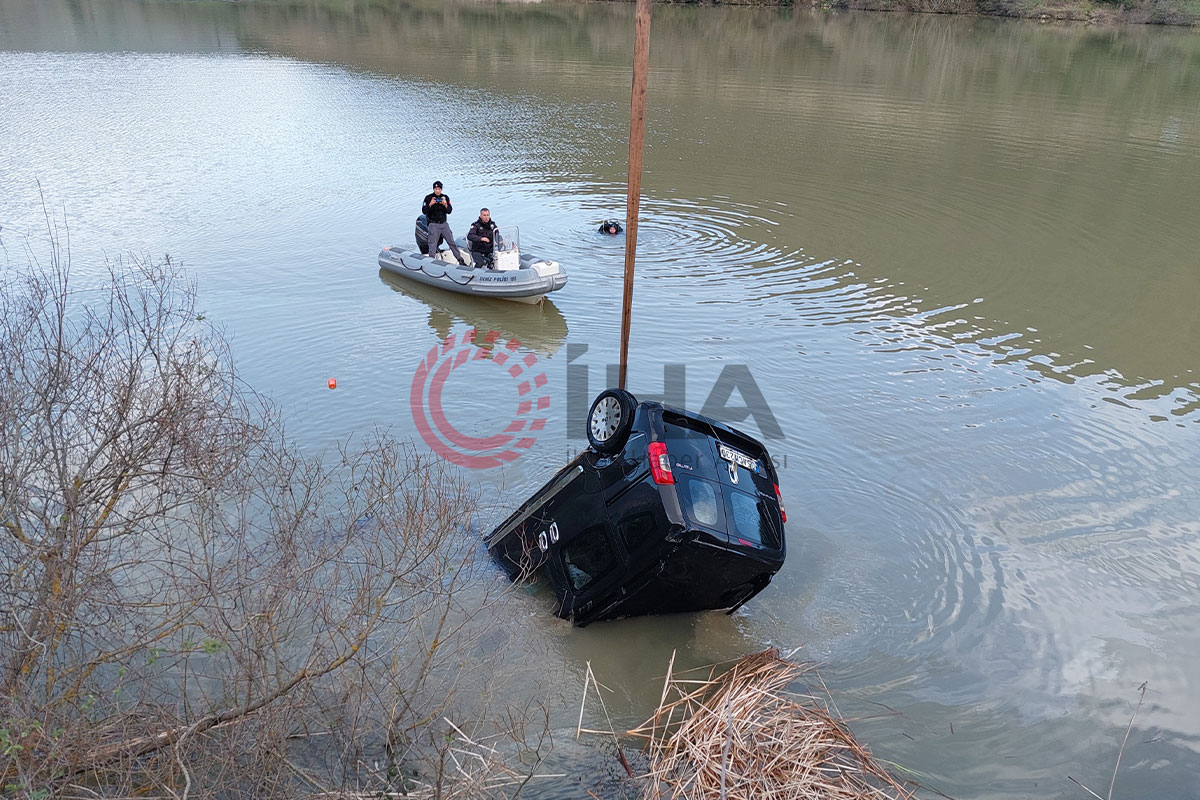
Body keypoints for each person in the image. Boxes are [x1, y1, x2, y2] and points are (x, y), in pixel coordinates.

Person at [421, 181, 466, 266]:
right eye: (436, 189)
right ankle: (431, 263)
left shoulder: (445, 197)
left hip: (444, 224)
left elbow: (449, 211)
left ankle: (460, 260)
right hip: (433, 225)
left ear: (441, 189)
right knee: (432, 245)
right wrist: (430, 204)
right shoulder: (428, 198)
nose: (437, 191)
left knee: (451, 242)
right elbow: (424, 211)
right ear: (433, 189)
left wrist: (445, 204)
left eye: (439, 189)